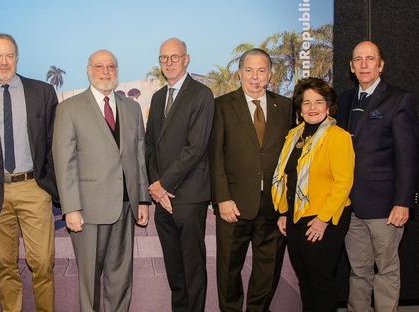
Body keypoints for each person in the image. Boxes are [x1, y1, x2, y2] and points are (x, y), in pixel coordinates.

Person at [0, 33, 59, 312]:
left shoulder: (42, 92)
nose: (3, 62)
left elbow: (54, 143)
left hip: (33, 188)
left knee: (42, 262)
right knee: (6, 265)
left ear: (17, 57)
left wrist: (52, 184)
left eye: (9, 55)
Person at [53, 49, 150, 312]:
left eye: (111, 66)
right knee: (90, 281)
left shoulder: (131, 108)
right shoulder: (68, 109)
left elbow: (139, 157)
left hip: (126, 207)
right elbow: (65, 164)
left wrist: (142, 200)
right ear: (88, 70)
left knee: (120, 278)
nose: (105, 71)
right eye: (99, 66)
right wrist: (71, 208)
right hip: (88, 211)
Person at [336, 41, 418, 312]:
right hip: (350, 206)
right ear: (350, 66)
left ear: (380, 65)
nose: (363, 64)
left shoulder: (399, 99)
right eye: (358, 59)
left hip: (385, 207)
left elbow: (408, 156)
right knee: (358, 272)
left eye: (369, 58)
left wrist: (403, 201)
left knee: (386, 270)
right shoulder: (345, 100)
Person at [210, 48, 292, 312]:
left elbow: (292, 161)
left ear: (269, 75)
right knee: (228, 270)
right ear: (239, 73)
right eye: (249, 70)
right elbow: (215, 156)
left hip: (273, 207)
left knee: (267, 273)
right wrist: (222, 198)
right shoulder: (221, 106)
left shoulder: (287, 108)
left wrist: (286, 206)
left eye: (261, 71)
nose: (255, 77)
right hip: (233, 206)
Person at [272, 78, 354, 311]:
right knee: (305, 279)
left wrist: (323, 219)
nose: (313, 108)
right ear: (299, 108)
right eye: (306, 103)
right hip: (296, 218)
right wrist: (282, 212)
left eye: (319, 102)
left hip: (323, 219)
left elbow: (343, 182)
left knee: (321, 282)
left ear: (328, 106)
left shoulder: (338, 136)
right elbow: (288, 176)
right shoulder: (294, 136)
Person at [145, 37, 214, 311]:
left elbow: (195, 148)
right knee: (175, 269)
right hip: (162, 199)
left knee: (193, 268)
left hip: (188, 195)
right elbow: (149, 144)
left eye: (175, 57)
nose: (169, 63)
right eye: (164, 58)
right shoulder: (158, 96)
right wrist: (155, 185)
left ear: (187, 59)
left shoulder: (201, 95)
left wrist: (164, 184)